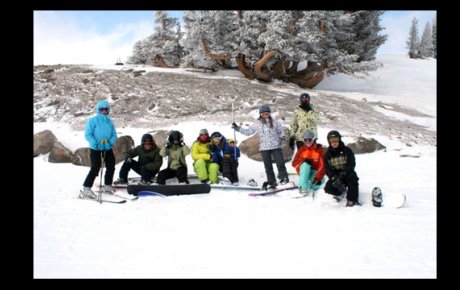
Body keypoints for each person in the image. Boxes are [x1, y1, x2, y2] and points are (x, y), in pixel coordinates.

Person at [232, 104, 289, 190]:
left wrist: (283, 140)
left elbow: (281, 132)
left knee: (280, 163)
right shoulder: (257, 124)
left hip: (276, 146)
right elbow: (248, 132)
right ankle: (271, 181)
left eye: (267, 113)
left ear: (269, 113)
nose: (265, 114)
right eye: (263, 113)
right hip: (264, 148)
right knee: (268, 166)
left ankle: (283, 178)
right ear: (260, 114)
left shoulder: (275, 123)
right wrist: (238, 128)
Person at [81, 100, 118, 199]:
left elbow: (114, 134)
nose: (104, 111)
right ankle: (86, 188)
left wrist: (110, 143)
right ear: (98, 110)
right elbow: (88, 134)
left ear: (108, 110)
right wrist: (95, 144)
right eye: (102, 109)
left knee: (111, 166)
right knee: (95, 167)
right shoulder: (93, 121)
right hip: (96, 148)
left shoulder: (109, 122)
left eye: (105, 109)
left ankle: (107, 185)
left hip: (107, 147)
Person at [323, 130, 360, 207]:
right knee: (328, 188)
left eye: (336, 140)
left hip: (347, 173)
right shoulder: (327, 155)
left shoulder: (347, 150)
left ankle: (352, 199)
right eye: (332, 140)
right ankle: (340, 192)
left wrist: (344, 173)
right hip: (336, 175)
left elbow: (351, 164)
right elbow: (327, 169)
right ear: (329, 141)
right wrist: (333, 177)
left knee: (353, 178)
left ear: (339, 139)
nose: (334, 142)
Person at [291, 130, 326, 194]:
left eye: (309, 140)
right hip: (304, 172)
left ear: (313, 140)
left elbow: (323, 165)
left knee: (318, 184)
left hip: (314, 173)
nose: (308, 142)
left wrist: (317, 178)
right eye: (305, 140)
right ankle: (303, 188)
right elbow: (294, 163)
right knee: (305, 165)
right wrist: (304, 161)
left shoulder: (319, 150)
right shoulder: (302, 150)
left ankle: (306, 183)